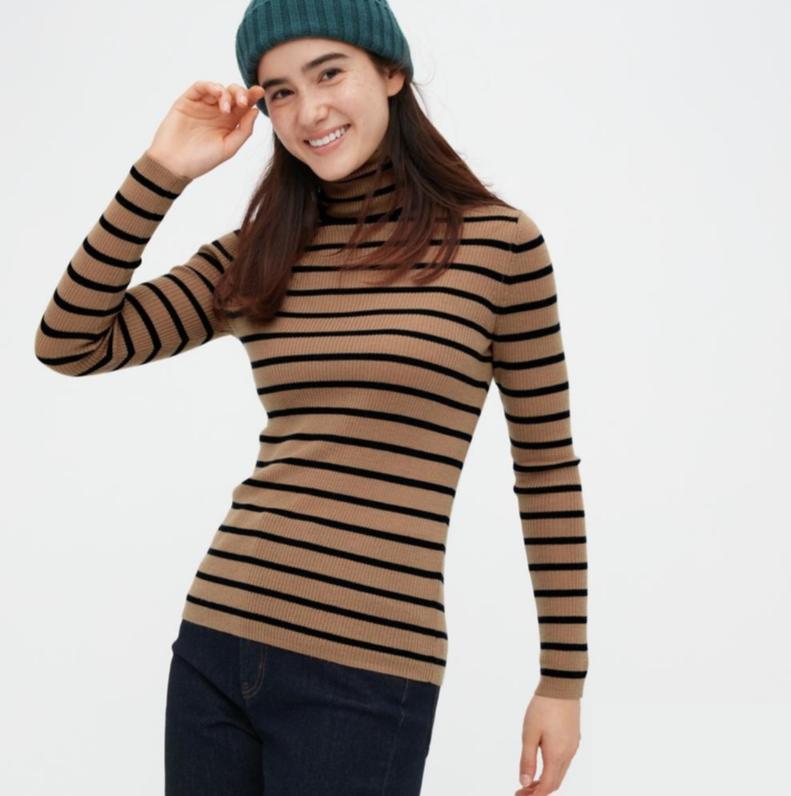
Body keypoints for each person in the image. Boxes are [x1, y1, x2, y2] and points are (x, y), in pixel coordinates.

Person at [33, 0, 589, 793]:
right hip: (218, 640)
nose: (310, 110)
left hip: (367, 669)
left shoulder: (499, 247)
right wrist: (163, 171)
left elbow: (547, 469)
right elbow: (70, 341)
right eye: (282, 92)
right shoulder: (262, 251)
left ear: (390, 72)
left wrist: (562, 680)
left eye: (329, 74)